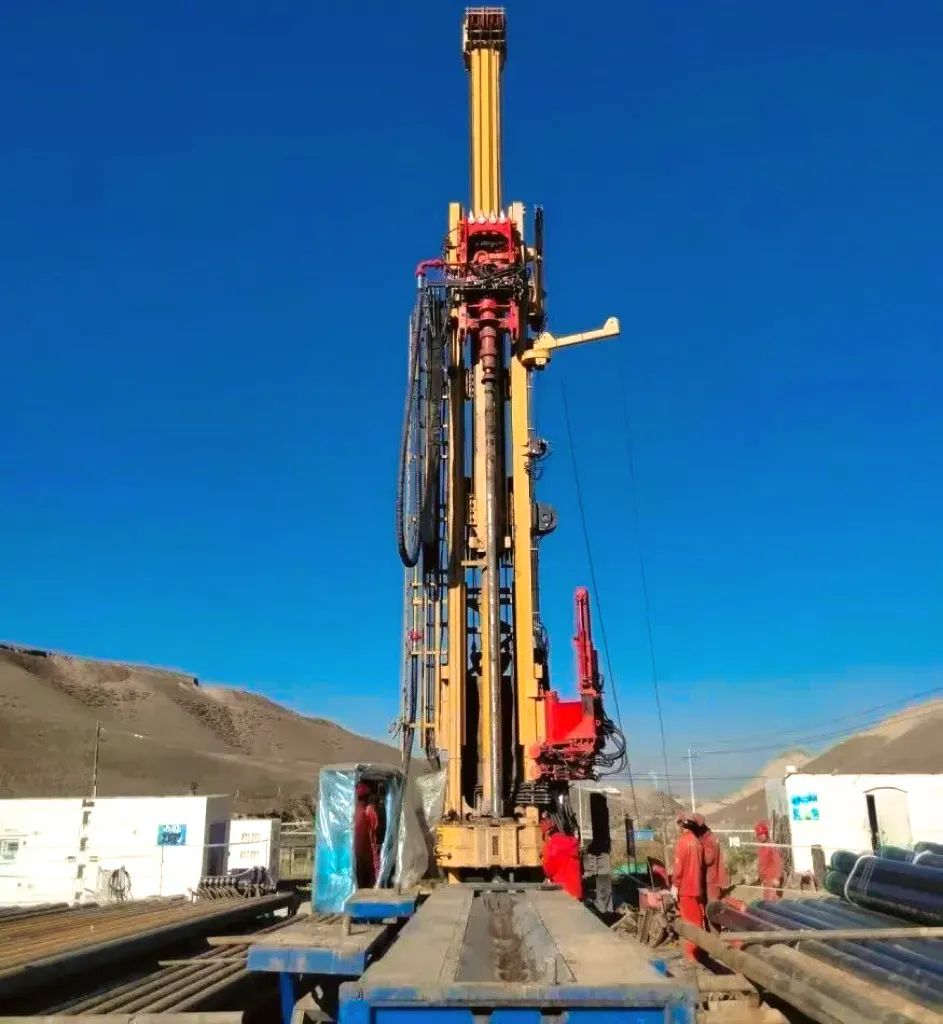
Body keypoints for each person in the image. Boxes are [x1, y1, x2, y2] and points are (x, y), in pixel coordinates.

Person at [672, 812, 705, 962]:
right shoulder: (697, 842)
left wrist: (675, 885)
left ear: (682, 825)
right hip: (697, 888)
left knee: (690, 924)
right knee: (697, 920)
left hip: (686, 889)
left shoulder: (683, 841)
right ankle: (699, 952)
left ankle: (691, 956)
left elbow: (679, 867)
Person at [540, 817, 584, 900]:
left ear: (547, 833)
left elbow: (548, 869)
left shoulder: (550, 848)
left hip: (562, 891)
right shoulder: (572, 842)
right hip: (575, 891)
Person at [694, 813, 728, 904]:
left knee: (712, 905)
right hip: (707, 878)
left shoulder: (710, 838)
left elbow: (708, 859)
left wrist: (697, 850)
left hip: (711, 879)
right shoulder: (704, 838)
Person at [354, 781, 380, 888]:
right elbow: (375, 826)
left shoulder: (353, 810)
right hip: (367, 848)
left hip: (356, 849)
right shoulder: (368, 810)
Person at [754, 820, 784, 901]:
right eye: (759, 834)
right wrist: (761, 877)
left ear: (766, 834)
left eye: (763, 834)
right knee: (767, 901)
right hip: (766, 880)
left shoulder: (771, 846)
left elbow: (778, 862)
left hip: (772, 880)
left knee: (771, 903)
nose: (761, 836)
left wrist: (776, 878)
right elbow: (761, 864)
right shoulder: (761, 847)